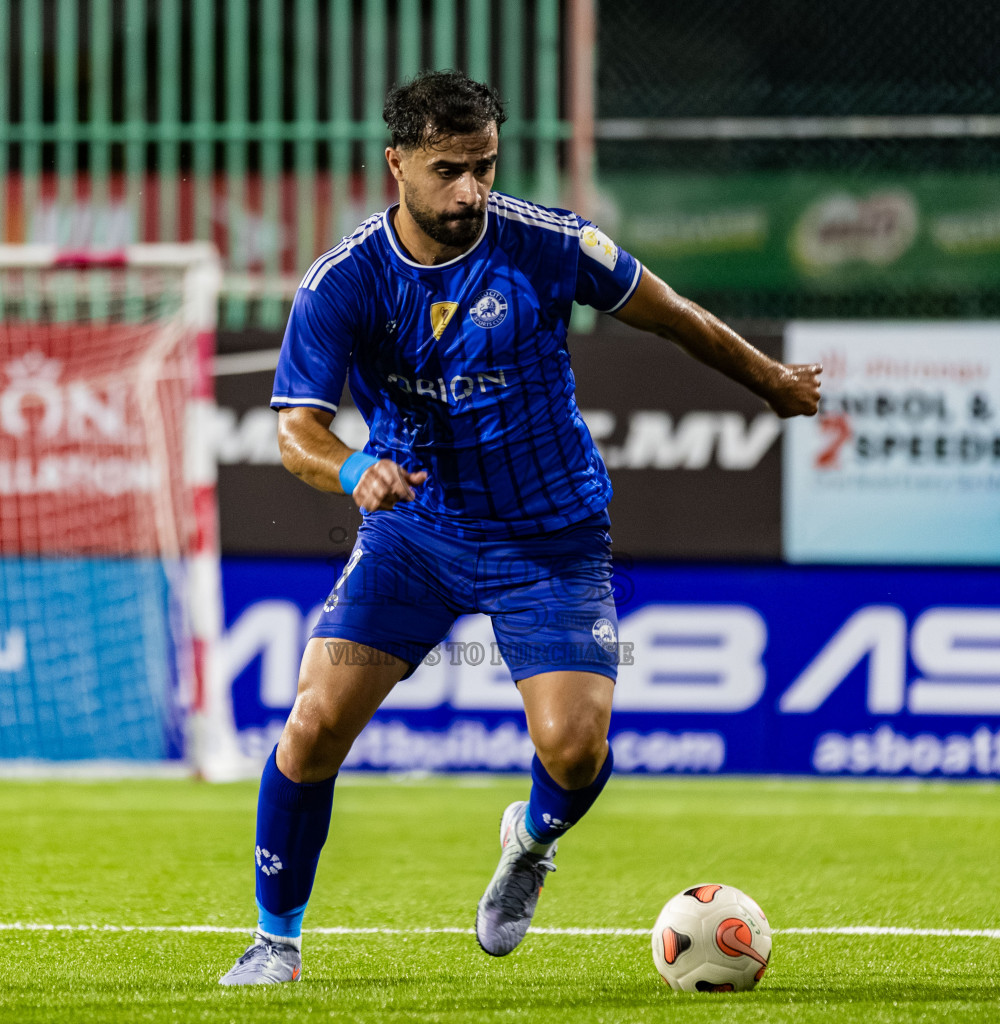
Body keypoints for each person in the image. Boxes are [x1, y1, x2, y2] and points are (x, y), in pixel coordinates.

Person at [220, 70, 821, 986]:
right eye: (449, 169)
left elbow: (676, 319)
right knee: (312, 725)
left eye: (485, 167)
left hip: (550, 534)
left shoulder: (547, 244)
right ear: (398, 165)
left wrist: (770, 380)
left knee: (575, 751)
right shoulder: (344, 282)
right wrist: (353, 468)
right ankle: (275, 941)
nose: (470, 190)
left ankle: (530, 841)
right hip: (414, 537)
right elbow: (296, 431)